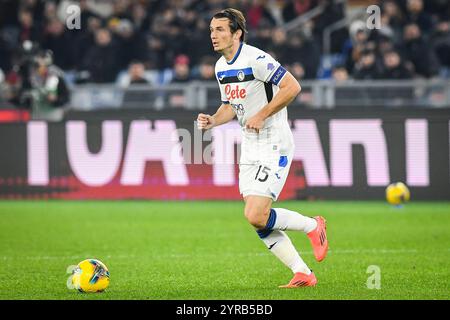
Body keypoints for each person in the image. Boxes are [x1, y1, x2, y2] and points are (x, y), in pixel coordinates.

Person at [197, 8, 328, 288]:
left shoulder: (256, 58)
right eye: (211, 30)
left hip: (274, 141)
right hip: (250, 144)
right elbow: (230, 108)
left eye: (220, 29)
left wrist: (262, 114)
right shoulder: (221, 67)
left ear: (237, 34)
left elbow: (292, 87)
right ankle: (302, 272)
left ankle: (312, 226)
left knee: (256, 214)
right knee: (258, 219)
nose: (213, 35)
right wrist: (212, 120)